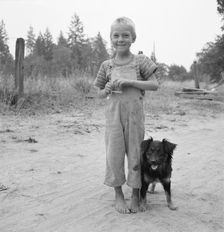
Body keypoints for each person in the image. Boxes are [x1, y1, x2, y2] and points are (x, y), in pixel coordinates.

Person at [94, 17, 159, 214]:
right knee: (114, 156)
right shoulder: (107, 65)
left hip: (135, 116)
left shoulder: (141, 61)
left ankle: (136, 194)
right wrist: (105, 89)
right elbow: (98, 91)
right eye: (116, 35)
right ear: (111, 38)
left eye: (125, 35)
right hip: (114, 117)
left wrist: (130, 82)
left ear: (133, 38)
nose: (120, 39)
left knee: (136, 155)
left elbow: (154, 84)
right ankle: (118, 195)